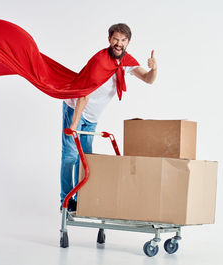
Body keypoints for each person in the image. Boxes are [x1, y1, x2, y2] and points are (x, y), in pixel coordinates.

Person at [60, 23, 157, 211]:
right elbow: (84, 93)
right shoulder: (100, 61)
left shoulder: (126, 61)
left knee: (85, 158)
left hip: (92, 116)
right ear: (109, 40)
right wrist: (73, 124)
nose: (119, 44)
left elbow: (148, 80)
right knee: (71, 156)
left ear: (128, 42)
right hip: (77, 109)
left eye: (123, 40)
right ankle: (66, 200)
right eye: (115, 39)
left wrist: (153, 69)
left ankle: (80, 198)